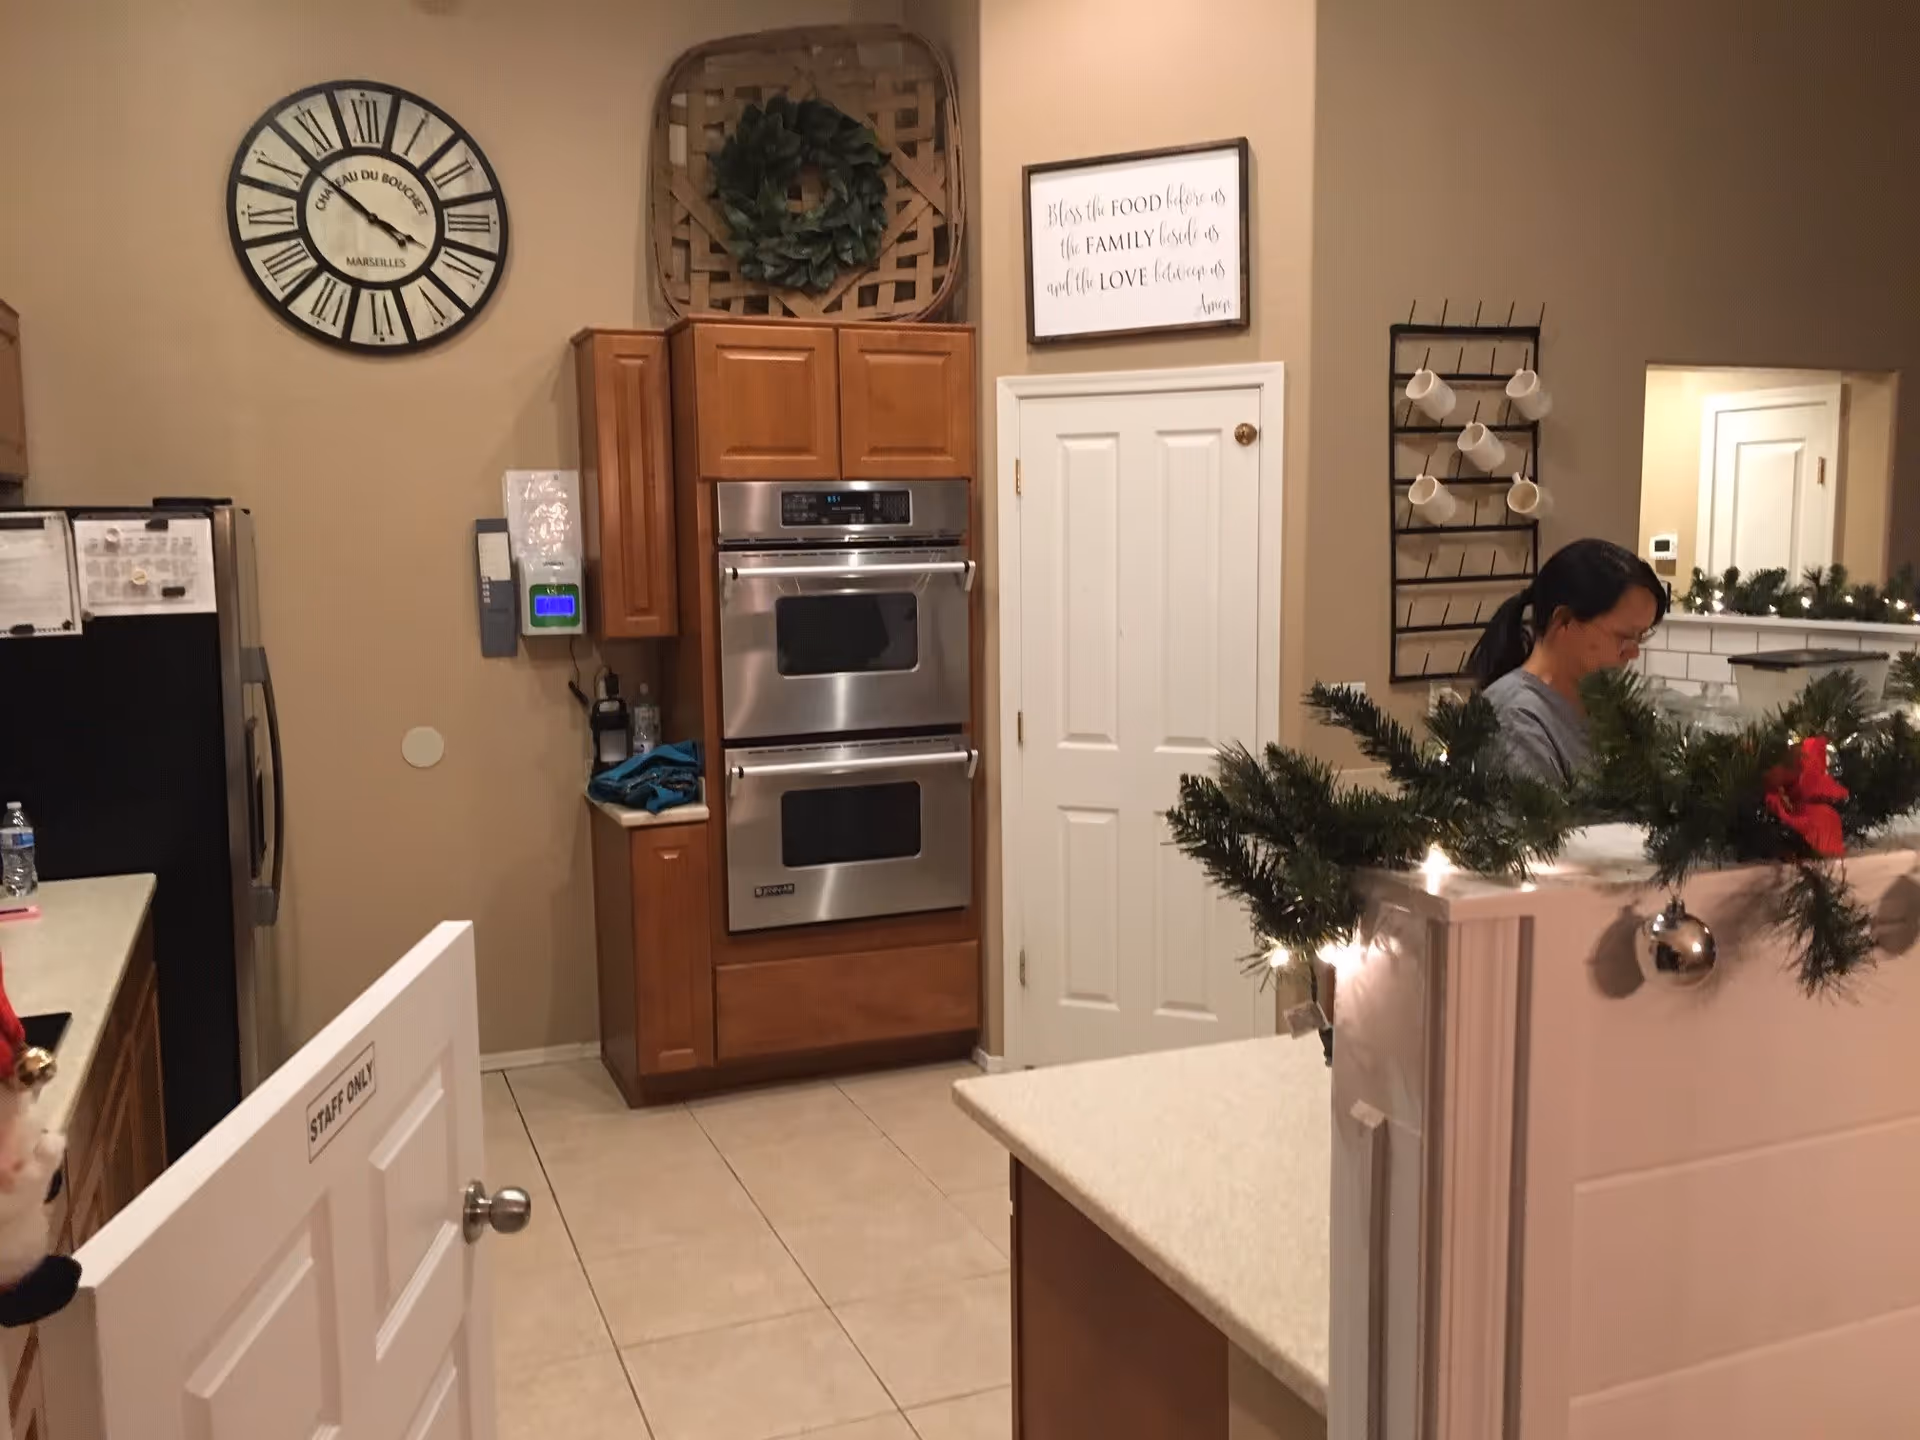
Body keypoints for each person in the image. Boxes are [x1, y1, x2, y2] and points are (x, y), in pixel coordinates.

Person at [1464, 538, 1667, 787]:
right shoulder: (1513, 719)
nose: (1633, 653)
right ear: (1564, 621)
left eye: (1641, 637)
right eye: (1624, 637)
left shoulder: (1600, 707)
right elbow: (1539, 824)